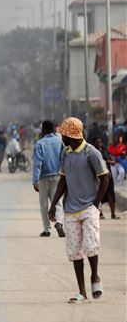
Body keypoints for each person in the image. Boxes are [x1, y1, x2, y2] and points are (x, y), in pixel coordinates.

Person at [48, 117, 109, 304]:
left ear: (71, 135)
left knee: (91, 247)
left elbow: (104, 179)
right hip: (71, 210)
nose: (62, 138)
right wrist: (53, 206)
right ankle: (82, 292)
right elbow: (63, 181)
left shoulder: (91, 153)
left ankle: (95, 277)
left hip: (89, 207)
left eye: (63, 135)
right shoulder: (65, 153)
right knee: (75, 252)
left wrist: (96, 204)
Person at [32, 121, 65, 237]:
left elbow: (37, 164)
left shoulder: (39, 144)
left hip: (43, 177)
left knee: (44, 204)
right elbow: (64, 157)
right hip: (57, 175)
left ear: (44, 130)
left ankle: (47, 229)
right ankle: (59, 222)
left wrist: (35, 180)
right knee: (58, 202)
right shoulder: (59, 141)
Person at [93, 137, 119, 220]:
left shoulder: (105, 151)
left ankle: (113, 214)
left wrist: (110, 161)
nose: (98, 143)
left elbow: (111, 160)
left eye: (100, 141)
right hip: (98, 176)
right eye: (96, 142)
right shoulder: (92, 152)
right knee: (99, 194)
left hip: (108, 175)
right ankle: (100, 213)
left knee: (111, 194)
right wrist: (107, 161)